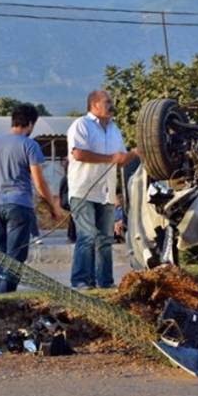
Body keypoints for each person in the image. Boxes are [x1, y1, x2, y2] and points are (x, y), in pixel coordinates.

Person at [0, 104, 60, 293]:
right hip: (19, 205)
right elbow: (40, 184)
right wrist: (53, 207)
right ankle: (5, 296)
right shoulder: (29, 145)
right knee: (16, 257)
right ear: (31, 123)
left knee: (3, 254)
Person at [66, 90, 136, 289]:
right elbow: (78, 153)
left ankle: (105, 282)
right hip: (83, 191)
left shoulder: (115, 129)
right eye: (107, 102)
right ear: (94, 105)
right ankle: (80, 281)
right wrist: (111, 159)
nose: (111, 105)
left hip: (106, 192)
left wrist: (133, 154)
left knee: (105, 239)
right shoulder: (81, 125)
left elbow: (120, 158)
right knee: (87, 236)